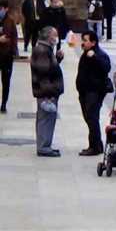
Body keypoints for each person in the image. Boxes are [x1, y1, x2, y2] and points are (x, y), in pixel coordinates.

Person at [76, 31, 111, 156]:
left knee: (92, 118)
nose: (83, 43)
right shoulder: (85, 54)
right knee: (89, 118)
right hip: (85, 92)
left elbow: (106, 69)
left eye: (85, 40)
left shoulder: (99, 55)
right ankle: (98, 145)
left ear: (93, 42)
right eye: (83, 40)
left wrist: (94, 57)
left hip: (94, 92)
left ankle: (94, 147)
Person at [30, 26, 64, 157]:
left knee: (48, 118)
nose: (56, 38)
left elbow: (49, 68)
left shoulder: (46, 50)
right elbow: (44, 72)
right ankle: (44, 147)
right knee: (46, 118)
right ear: (48, 37)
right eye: (54, 35)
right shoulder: (42, 50)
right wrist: (49, 92)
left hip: (48, 90)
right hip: (47, 92)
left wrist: (57, 59)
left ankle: (45, 145)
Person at [0, 1, 17, 113]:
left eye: (1, 8)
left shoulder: (10, 22)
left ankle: (4, 103)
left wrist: (12, 50)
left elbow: (14, 38)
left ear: (6, 9)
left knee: (6, 81)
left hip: (6, 57)